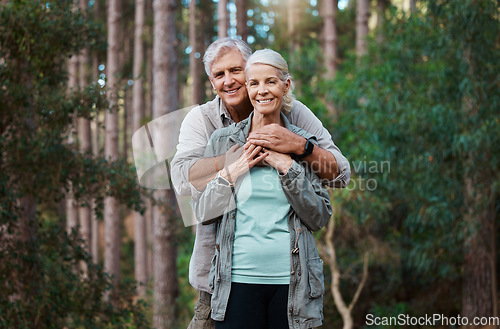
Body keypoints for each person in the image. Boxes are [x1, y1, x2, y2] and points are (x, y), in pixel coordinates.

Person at [170, 38, 350, 329]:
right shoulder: (204, 122)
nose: (229, 81)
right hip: (219, 280)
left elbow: (340, 176)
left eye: (236, 71)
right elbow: (182, 179)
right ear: (211, 81)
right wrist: (233, 161)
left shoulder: (296, 116)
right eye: (219, 74)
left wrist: (299, 148)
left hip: (292, 281)